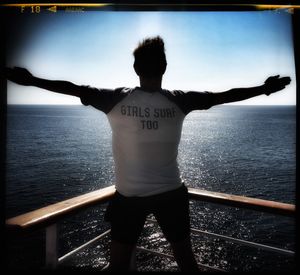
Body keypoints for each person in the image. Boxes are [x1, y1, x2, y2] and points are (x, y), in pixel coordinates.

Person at [6, 36, 291, 272]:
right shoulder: (180, 100)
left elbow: (71, 88)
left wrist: (31, 81)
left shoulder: (113, 98)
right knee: (187, 262)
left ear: (135, 68)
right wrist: (264, 89)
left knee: (117, 266)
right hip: (172, 194)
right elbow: (224, 95)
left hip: (129, 198)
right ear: (164, 67)